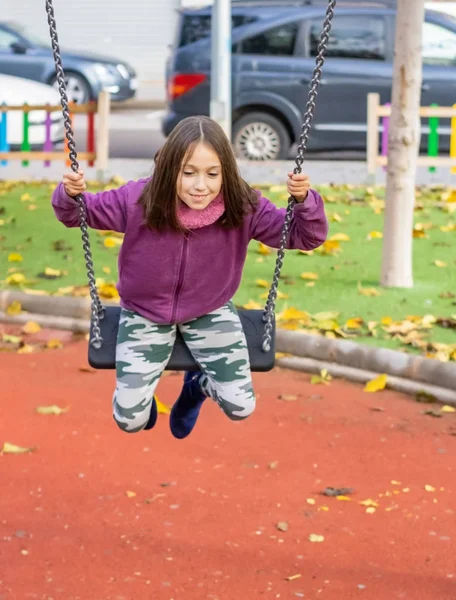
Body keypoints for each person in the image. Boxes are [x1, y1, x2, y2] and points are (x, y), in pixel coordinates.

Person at [52, 116, 328, 440]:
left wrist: (303, 202)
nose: (201, 186)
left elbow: (305, 236)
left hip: (210, 310)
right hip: (145, 312)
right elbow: (80, 213)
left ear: (226, 170)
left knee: (241, 406)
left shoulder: (243, 206)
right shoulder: (139, 199)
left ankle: (197, 384)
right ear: (171, 169)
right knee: (130, 420)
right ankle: (144, 395)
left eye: (212, 174)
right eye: (188, 173)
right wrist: (70, 195)